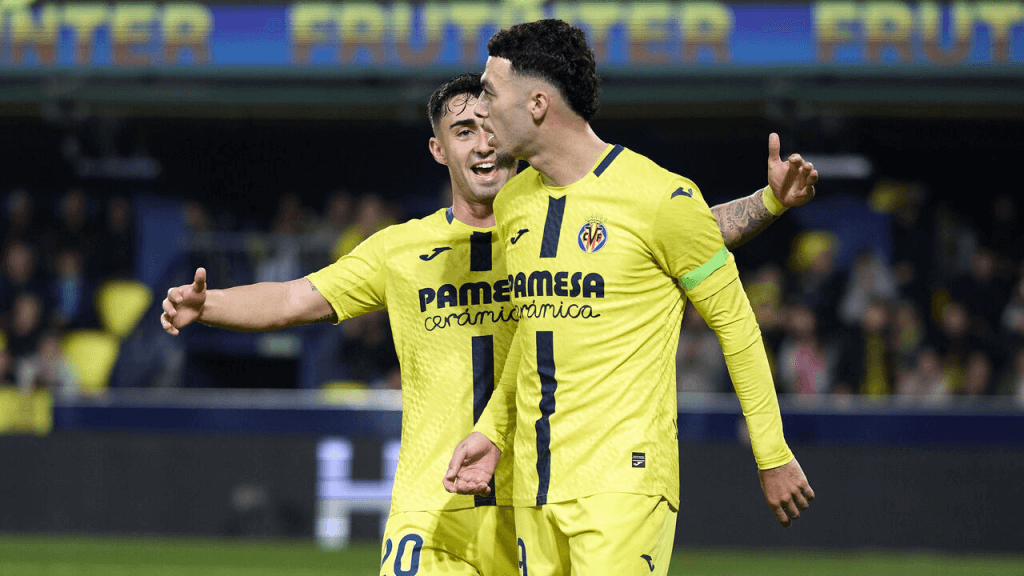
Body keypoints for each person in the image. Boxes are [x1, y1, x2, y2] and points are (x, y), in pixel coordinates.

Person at [162, 72, 814, 575]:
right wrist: (207, 304)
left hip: (533, 499)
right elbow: (293, 300)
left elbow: (674, 234)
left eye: (487, 125)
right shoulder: (401, 250)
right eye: (462, 130)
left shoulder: (545, 226)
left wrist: (767, 204)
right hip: (433, 504)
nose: (481, 142)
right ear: (438, 149)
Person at [443, 20, 815, 576]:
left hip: (624, 484)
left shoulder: (660, 197)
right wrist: (493, 432)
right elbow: (534, 331)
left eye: (491, 95)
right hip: (533, 487)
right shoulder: (515, 202)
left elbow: (737, 327)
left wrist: (771, 452)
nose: (481, 111)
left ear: (538, 103)